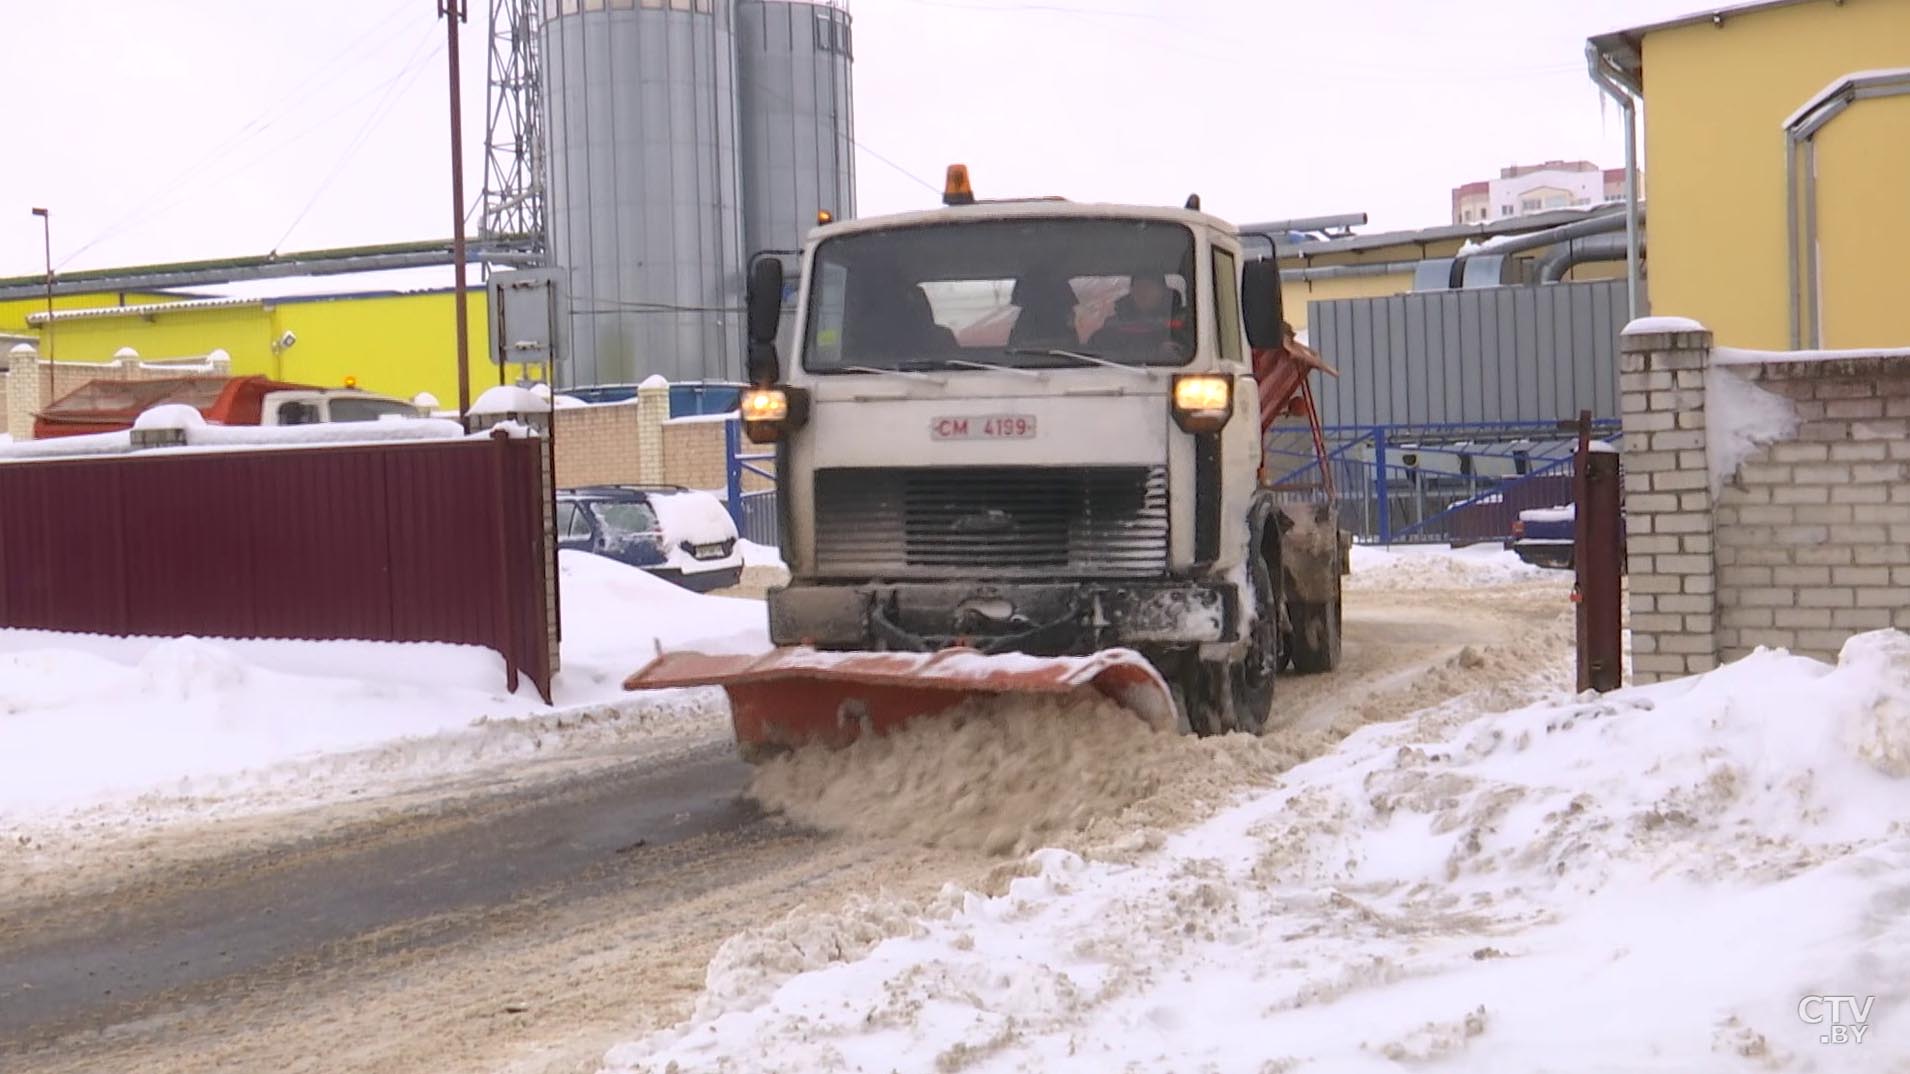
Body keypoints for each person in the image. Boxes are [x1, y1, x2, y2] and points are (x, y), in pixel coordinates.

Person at [1089, 273, 1190, 359]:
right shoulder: (1114, 325)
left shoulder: (1182, 325)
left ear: (1163, 291)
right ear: (1131, 292)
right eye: (1138, 287)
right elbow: (1093, 354)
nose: (1143, 292)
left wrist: (1175, 352)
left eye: (1149, 287)